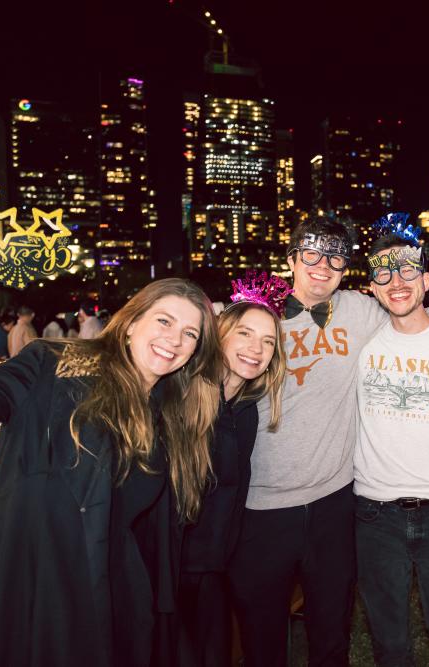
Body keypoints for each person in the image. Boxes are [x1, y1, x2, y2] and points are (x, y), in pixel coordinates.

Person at [0, 220, 223, 666]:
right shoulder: (50, 365)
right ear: (131, 323)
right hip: (33, 596)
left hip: (116, 601)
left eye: (191, 333)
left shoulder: (175, 410)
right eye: (164, 320)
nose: (175, 339)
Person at [229, 216, 429, 667]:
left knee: (332, 631)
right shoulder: (257, 315)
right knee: (262, 636)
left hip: (334, 502)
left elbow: (418, 310)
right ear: (291, 260)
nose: (323, 266)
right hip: (260, 505)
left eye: (336, 257)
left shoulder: (361, 311)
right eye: (311, 254)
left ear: (347, 270)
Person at [354, 230, 429, 666]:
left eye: (408, 269)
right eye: (383, 273)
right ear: (371, 287)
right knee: (389, 644)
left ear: (426, 280)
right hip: (374, 512)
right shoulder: (361, 342)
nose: (397, 281)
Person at [178, 273, 289, 667]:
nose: (256, 349)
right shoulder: (180, 396)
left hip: (214, 570)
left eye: (268, 341)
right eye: (244, 333)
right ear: (221, 334)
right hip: (169, 574)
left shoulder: (248, 410)